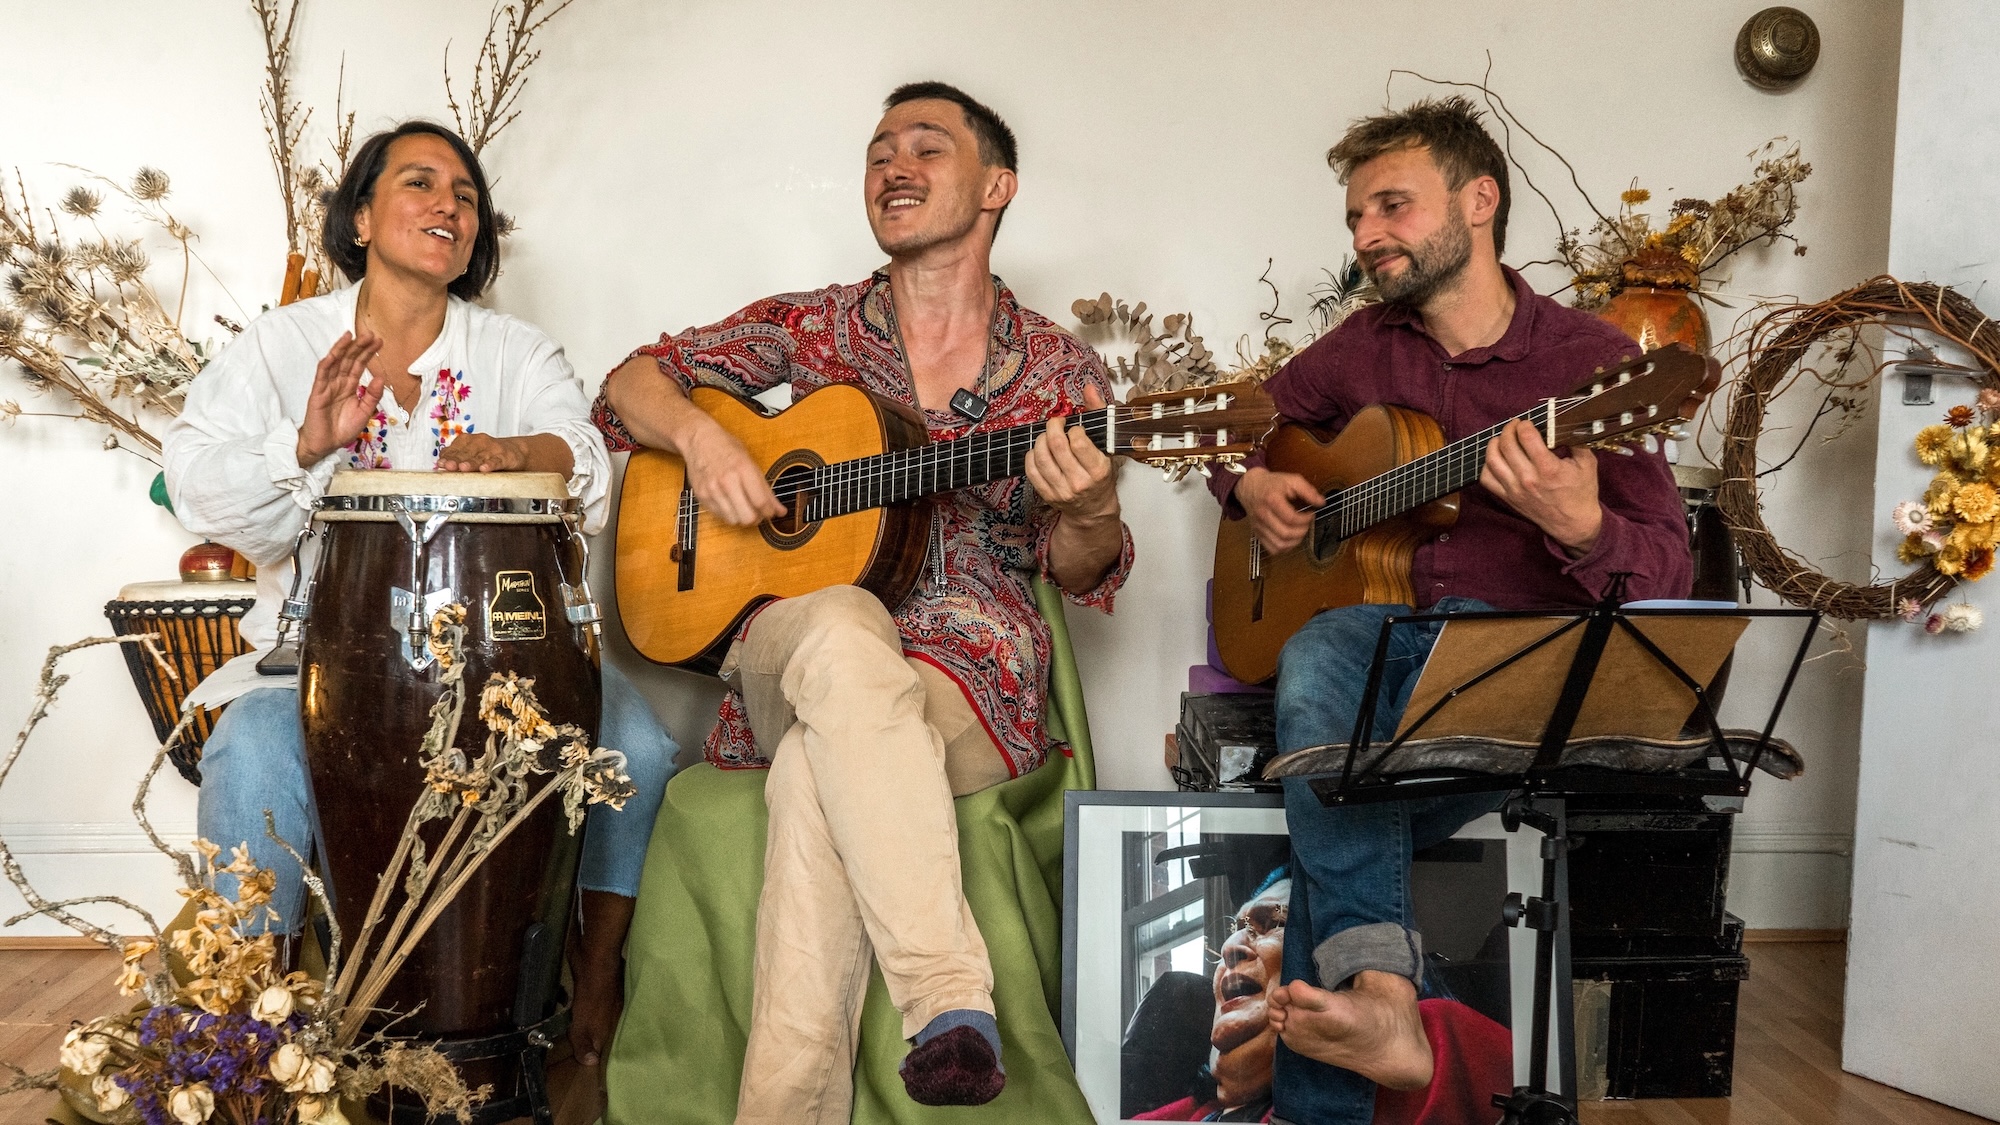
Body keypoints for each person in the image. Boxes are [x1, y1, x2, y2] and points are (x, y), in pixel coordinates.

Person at [593, 81, 1131, 1120]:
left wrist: (1094, 503)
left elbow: (1082, 568)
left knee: (815, 770)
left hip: (967, 674)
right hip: (792, 645)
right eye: (880, 150)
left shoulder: (1058, 370)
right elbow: (630, 381)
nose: (893, 166)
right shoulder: (811, 330)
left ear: (995, 187)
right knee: (842, 625)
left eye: (926, 148)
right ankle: (946, 999)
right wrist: (705, 442)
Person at [1207, 96, 1693, 1124]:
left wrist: (1575, 523)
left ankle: (1325, 1095)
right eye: (1352, 216)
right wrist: (1244, 487)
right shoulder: (1359, 348)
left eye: (1390, 206)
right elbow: (1241, 428)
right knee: (1320, 650)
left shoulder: (1591, 366)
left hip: (1512, 661)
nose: (1364, 235)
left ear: (1478, 201)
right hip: (1377, 652)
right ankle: (1383, 1004)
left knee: (1331, 792)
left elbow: (1665, 577)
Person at [162, 120, 676, 1069]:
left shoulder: (513, 352)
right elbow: (194, 481)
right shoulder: (282, 348)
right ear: (360, 216)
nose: (448, 205)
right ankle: (252, 1041)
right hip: (315, 671)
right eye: (420, 183)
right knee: (249, 751)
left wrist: (517, 453)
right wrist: (305, 446)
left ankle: (591, 1005)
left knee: (637, 741)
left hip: (506, 672)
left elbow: (586, 455)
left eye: (466, 194)